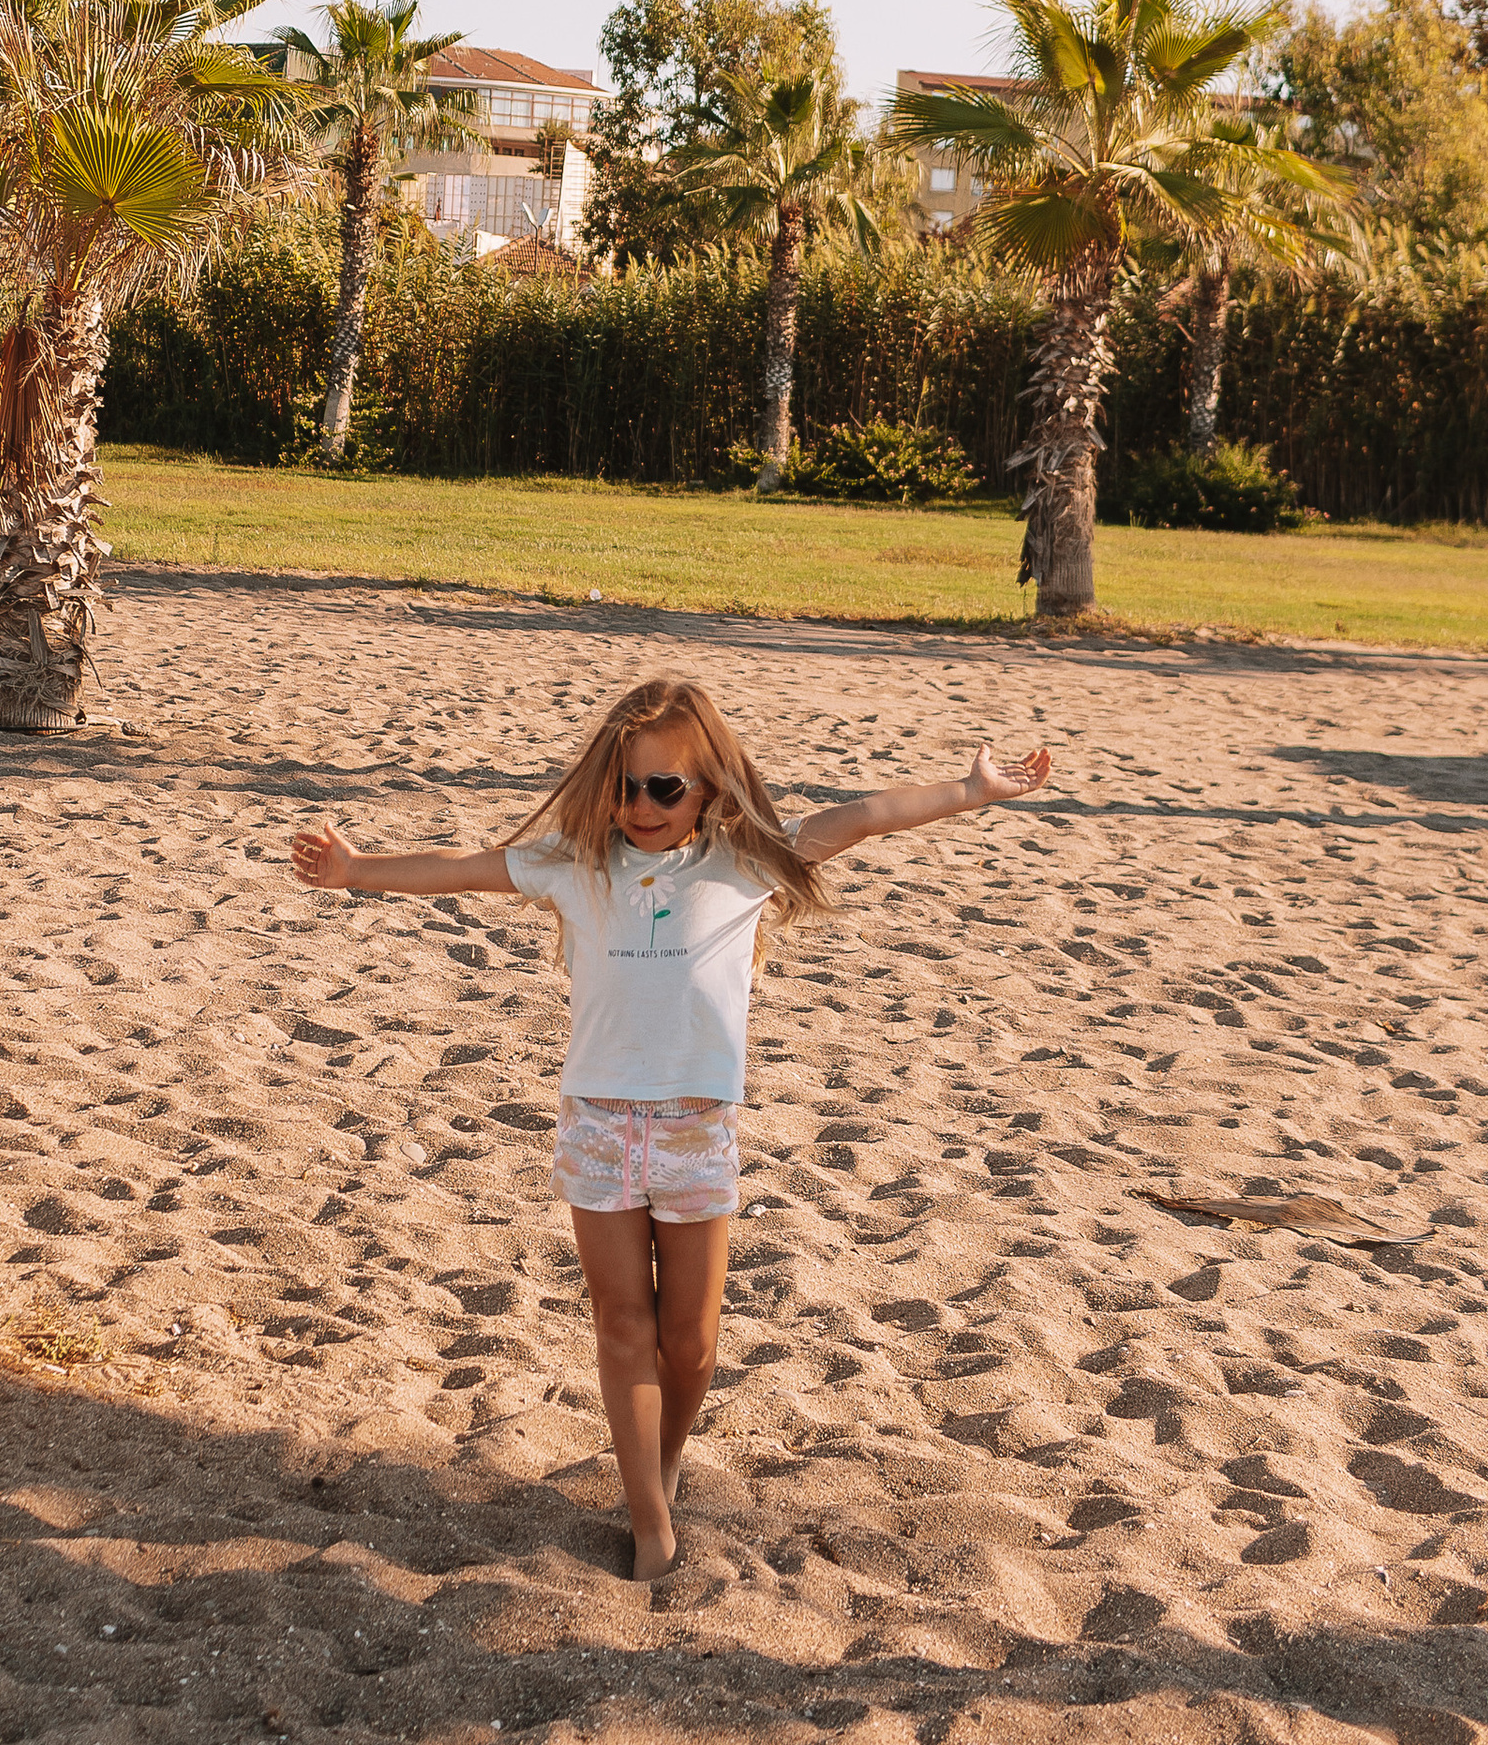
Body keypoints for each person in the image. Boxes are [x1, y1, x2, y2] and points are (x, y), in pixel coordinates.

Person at [290, 674, 1052, 1583]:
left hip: (696, 1130)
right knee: (622, 1322)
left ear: (709, 790)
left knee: (690, 1340)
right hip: (600, 1126)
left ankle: (664, 1458)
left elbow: (858, 819)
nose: (640, 806)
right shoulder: (576, 867)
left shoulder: (746, 863)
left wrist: (968, 792)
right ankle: (650, 1521)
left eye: (665, 787)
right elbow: (463, 868)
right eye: (624, 785)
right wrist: (355, 871)